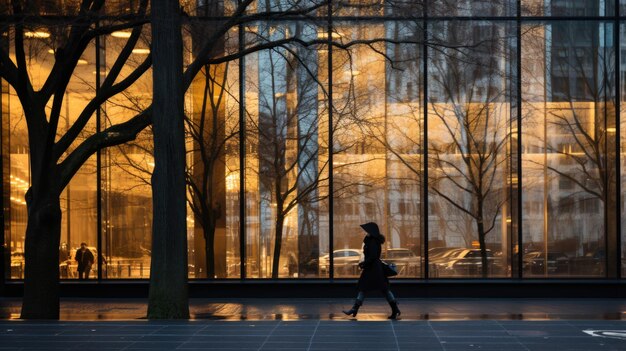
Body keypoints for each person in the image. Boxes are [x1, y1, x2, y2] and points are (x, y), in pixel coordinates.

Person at [343, 222, 401, 319]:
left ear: (371, 231)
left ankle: (395, 309)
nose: (365, 232)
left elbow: (373, 256)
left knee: (380, 289)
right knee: (369, 288)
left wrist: (363, 264)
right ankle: (354, 309)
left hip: (373, 269)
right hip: (372, 268)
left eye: (367, 230)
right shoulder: (370, 240)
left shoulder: (373, 241)